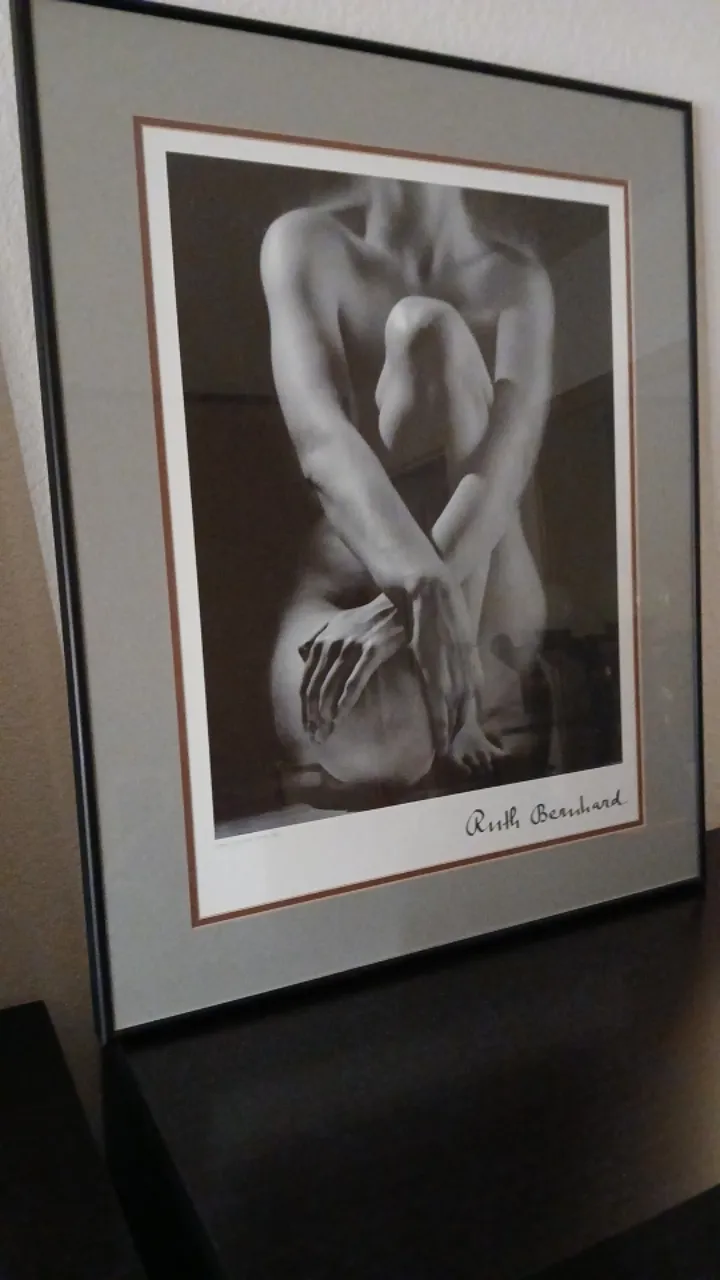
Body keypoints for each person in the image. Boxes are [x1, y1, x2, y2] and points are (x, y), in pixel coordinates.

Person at [260, 175, 554, 797]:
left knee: (428, 329)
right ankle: (442, 709)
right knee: (360, 730)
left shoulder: (517, 282)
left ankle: (458, 703)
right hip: (350, 592)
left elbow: (507, 470)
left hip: (484, 610)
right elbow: (320, 439)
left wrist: (404, 609)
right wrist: (417, 586)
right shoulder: (306, 244)